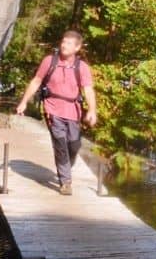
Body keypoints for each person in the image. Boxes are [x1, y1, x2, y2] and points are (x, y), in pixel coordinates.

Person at [14, 30, 97, 195]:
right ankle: (65, 182)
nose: (64, 45)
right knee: (60, 144)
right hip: (52, 108)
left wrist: (93, 110)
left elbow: (88, 89)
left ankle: (66, 165)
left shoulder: (82, 67)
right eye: (63, 41)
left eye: (69, 43)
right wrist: (24, 102)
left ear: (77, 47)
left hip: (73, 111)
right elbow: (36, 81)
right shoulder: (49, 61)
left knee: (73, 145)